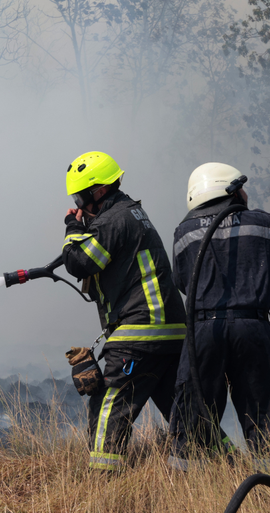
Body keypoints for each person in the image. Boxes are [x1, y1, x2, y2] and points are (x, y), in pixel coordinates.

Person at [169, 162, 270, 468]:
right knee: (262, 413)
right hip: (252, 326)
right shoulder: (264, 223)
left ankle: (188, 488)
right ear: (230, 190)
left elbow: (182, 283)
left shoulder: (184, 232)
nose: (245, 193)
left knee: (194, 410)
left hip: (204, 331)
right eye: (241, 187)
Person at [61, 151, 188, 471]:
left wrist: (70, 229)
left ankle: (104, 481)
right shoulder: (132, 213)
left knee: (109, 404)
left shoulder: (113, 219)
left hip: (141, 330)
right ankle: (221, 463)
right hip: (170, 330)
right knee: (185, 410)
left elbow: (80, 262)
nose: (78, 205)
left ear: (99, 191)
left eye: (80, 197)